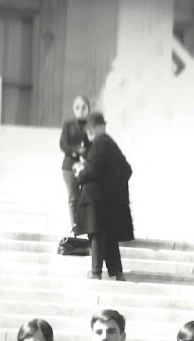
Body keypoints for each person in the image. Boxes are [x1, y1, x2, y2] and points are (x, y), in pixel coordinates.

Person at [74, 111, 133, 282]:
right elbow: (126, 170)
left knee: (97, 236)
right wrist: (114, 187)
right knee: (109, 238)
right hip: (108, 201)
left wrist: (80, 172)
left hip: (95, 201)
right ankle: (118, 273)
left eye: (92, 128)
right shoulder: (111, 144)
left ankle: (96, 273)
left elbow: (91, 171)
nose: (89, 132)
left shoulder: (99, 144)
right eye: (88, 129)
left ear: (100, 127)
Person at [58, 94, 90, 236]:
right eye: (77, 107)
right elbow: (63, 144)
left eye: (84, 107)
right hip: (70, 167)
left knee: (86, 197)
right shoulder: (68, 124)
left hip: (87, 166)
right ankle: (76, 229)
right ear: (74, 109)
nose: (80, 110)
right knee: (73, 198)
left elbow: (95, 144)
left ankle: (86, 227)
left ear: (88, 109)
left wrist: (87, 153)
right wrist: (77, 151)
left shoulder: (91, 125)